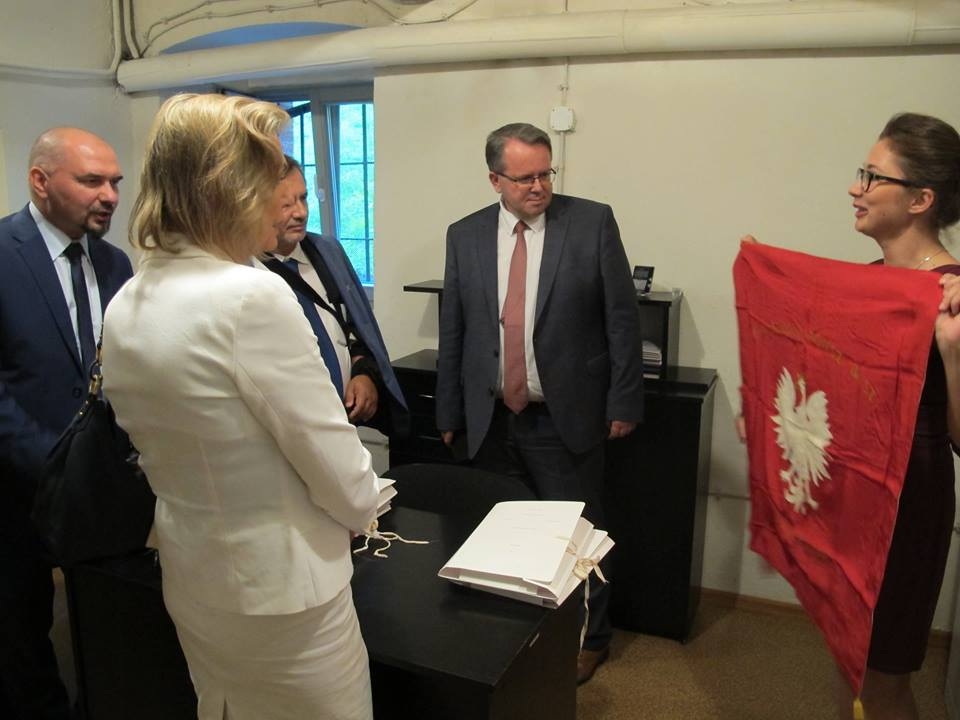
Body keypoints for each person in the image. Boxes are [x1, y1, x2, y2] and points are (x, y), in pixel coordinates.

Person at [101, 94, 379, 720]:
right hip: (286, 592)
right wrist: (365, 506)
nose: (280, 195)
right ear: (230, 187)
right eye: (269, 176)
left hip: (195, 574)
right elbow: (335, 465)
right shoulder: (252, 296)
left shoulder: (129, 299)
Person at [742, 112, 960, 720]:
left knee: (883, 681)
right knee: (849, 659)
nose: (854, 187)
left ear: (920, 199)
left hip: (905, 508)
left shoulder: (953, 293)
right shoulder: (871, 283)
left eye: (872, 176)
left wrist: (952, 352)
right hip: (852, 497)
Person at [435, 122, 645, 685]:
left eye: (545, 173)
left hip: (564, 416)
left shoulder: (591, 222)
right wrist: (449, 412)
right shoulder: (465, 235)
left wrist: (625, 399)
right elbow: (455, 328)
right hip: (491, 418)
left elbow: (622, 320)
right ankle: (515, 637)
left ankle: (590, 639)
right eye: (524, 177)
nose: (538, 186)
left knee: (578, 536)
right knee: (503, 534)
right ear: (495, 180)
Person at [0, 127, 131, 720]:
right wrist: (53, 463)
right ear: (41, 181)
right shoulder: (4, 255)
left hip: (103, 486)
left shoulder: (115, 263)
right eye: (92, 181)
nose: (110, 196)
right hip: (18, 489)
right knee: (22, 635)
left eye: (115, 183)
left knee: (104, 620)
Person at [261, 155, 408, 434]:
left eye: (303, 198)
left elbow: (355, 328)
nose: (300, 212)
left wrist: (364, 374)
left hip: (343, 424)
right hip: (290, 428)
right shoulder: (245, 273)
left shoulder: (327, 251)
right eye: (286, 204)